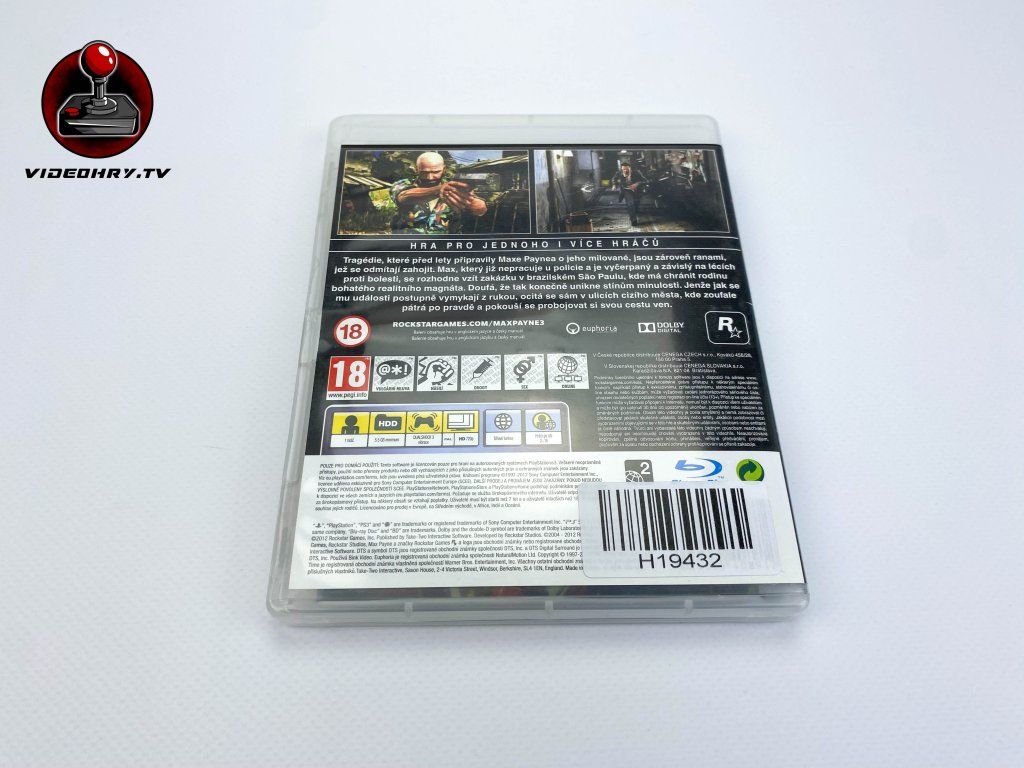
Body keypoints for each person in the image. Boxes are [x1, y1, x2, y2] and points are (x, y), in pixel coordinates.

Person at [389, 151, 487, 234]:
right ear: (416, 169)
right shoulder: (402, 184)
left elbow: (479, 208)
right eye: (424, 172)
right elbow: (404, 197)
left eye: (435, 172)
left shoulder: (455, 187)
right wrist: (438, 190)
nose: (430, 177)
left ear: (444, 169)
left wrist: (476, 205)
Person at [610, 161, 648, 226]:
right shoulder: (619, 173)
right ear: (621, 169)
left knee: (636, 203)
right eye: (623, 169)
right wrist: (614, 185)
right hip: (626, 190)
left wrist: (637, 184)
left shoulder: (636, 172)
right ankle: (633, 220)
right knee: (630, 204)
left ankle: (635, 211)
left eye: (627, 169)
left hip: (637, 190)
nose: (625, 171)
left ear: (630, 168)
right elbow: (614, 179)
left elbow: (645, 180)